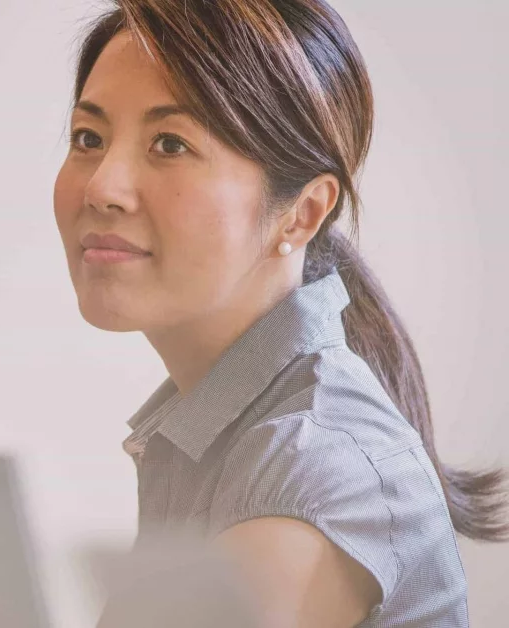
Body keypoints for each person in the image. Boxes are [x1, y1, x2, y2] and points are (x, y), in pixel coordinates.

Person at [52, 1, 508, 626]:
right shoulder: (227, 433)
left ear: (302, 213)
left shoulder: (313, 474)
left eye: (170, 144)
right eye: (88, 138)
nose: (102, 186)